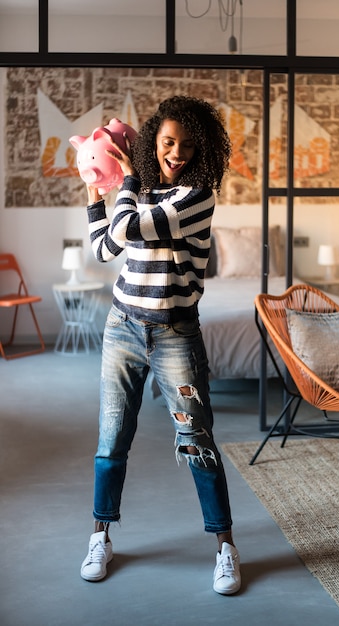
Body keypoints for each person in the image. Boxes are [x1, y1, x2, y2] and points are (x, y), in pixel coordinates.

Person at [80, 95, 241, 595]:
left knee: (197, 442)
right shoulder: (143, 190)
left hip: (174, 334)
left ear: (203, 151)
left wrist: (124, 184)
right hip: (123, 327)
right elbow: (105, 247)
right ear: (154, 139)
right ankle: (100, 535)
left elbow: (124, 228)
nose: (177, 153)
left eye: (189, 146)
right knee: (111, 441)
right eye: (169, 142)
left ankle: (225, 548)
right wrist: (92, 194)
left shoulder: (196, 197)